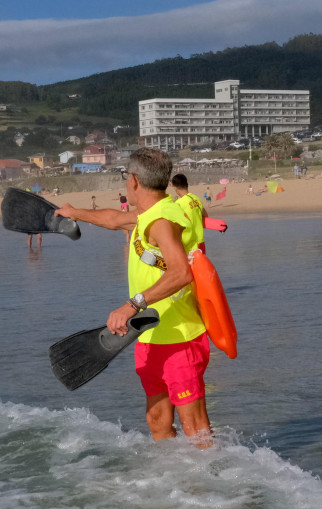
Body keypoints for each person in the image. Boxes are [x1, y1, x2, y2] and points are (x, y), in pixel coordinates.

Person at [56, 147, 213, 448]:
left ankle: (216, 488)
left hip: (179, 337)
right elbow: (114, 219)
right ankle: (175, 484)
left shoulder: (163, 220)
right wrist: (74, 212)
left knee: (195, 426)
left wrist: (132, 304)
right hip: (150, 335)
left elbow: (181, 273)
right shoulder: (148, 214)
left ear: (134, 181)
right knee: (157, 420)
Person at [170, 173, 208, 253]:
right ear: (186, 184)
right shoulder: (196, 198)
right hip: (200, 241)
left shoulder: (179, 203)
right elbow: (205, 215)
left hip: (188, 244)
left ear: (175, 187)